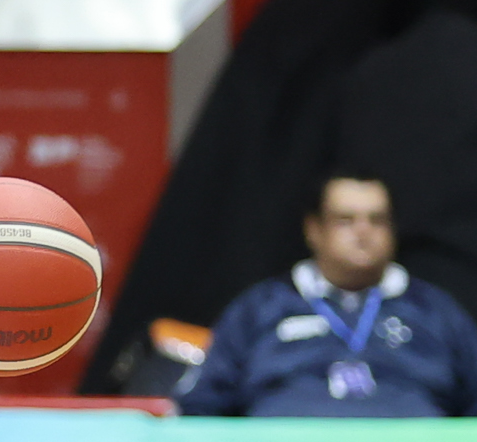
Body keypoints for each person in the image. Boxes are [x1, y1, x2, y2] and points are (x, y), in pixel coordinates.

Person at [177, 173, 477, 417]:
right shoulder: (260, 307)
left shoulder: (436, 310)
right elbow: (200, 406)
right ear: (314, 229)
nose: (363, 232)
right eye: (346, 220)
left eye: (376, 220)